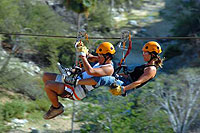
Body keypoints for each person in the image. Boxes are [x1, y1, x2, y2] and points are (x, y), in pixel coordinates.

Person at [43, 42, 115, 120]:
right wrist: (83, 49)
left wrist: (83, 56)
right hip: (74, 81)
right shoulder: (102, 60)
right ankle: (57, 92)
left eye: (100, 56)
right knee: (46, 76)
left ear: (107, 56)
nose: (98, 57)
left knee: (48, 85)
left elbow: (90, 71)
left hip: (77, 89)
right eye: (99, 55)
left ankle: (56, 108)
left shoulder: (109, 69)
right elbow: (91, 58)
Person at [76, 41, 164, 96]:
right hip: (123, 80)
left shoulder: (151, 69)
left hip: (127, 85)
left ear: (152, 55)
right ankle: (84, 52)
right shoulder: (146, 65)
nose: (143, 54)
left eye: (146, 53)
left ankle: (75, 82)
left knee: (102, 79)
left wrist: (123, 89)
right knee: (104, 65)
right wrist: (86, 53)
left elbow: (138, 82)